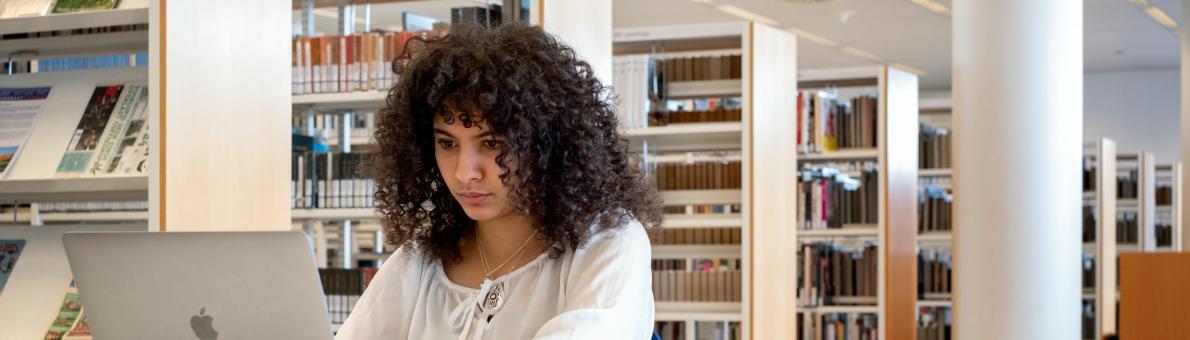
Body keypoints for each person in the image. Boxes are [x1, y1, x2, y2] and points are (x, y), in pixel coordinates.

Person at [335, 23, 663, 340]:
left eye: (492, 144)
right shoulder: (417, 262)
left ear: (546, 144)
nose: (465, 173)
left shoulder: (608, 243)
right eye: (447, 143)